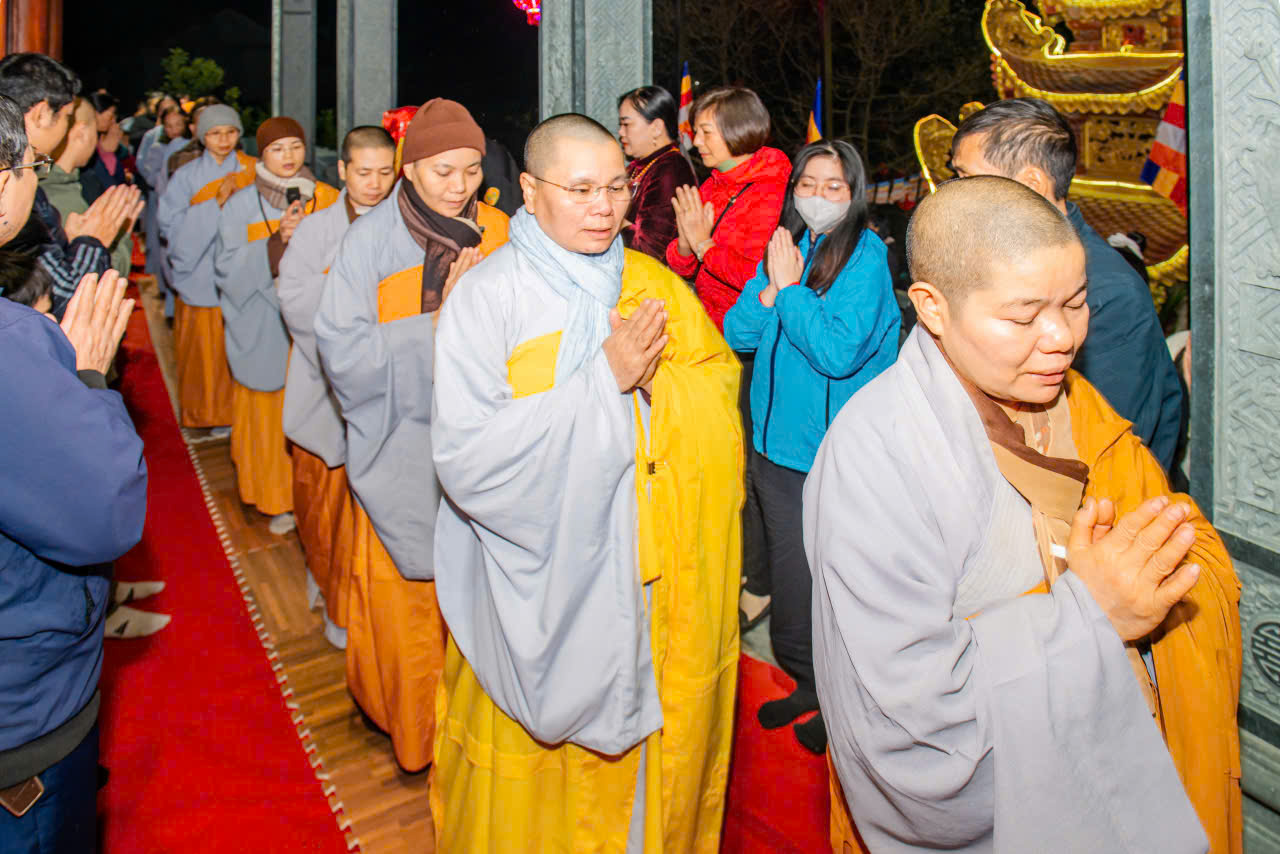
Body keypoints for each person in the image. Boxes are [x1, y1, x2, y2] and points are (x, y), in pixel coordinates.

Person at [808, 176, 1240, 854]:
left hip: (1115, 761)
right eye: (1022, 316)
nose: (1061, 338)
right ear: (933, 308)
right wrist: (1093, 617)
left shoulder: (1075, 403)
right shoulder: (877, 455)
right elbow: (910, 723)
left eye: (1075, 304)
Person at [429, 113, 743, 852]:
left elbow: (718, 389)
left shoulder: (651, 282)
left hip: (647, 580)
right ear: (530, 193)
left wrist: (663, 391)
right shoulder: (488, 298)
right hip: (539, 586)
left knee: (639, 792)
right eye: (578, 189)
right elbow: (468, 459)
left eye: (615, 188)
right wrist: (605, 382)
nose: (603, 207)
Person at [315, 99, 508, 772]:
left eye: (472, 170)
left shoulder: (502, 234)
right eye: (442, 171)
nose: (459, 187)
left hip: (485, 453)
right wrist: (439, 328)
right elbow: (340, 352)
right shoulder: (368, 243)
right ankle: (415, 732)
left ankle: (475, 734)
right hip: (401, 452)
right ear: (410, 167)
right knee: (406, 614)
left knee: (482, 603)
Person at [0, 90, 147, 854]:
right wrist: (84, 381)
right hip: (20, 710)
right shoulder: (13, 345)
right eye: (28, 165)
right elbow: (102, 515)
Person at [722, 139, 900, 754]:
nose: (818, 196)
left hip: (834, 455)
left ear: (854, 194)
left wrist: (791, 292)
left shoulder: (867, 259)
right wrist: (771, 290)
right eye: (809, 183)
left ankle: (850, 704)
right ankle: (808, 682)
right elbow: (738, 333)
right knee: (795, 588)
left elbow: (835, 351)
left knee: (841, 587)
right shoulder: (788, 245)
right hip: (775, 453)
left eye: (834, 186)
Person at [950, 98, 1184, 472]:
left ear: (1031, 183)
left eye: (967, 179)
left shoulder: (1104, 291)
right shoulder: (1008, 258)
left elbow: (1104, 453)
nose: (953, 195)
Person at [666, 86, 789, 634]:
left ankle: (757, 580)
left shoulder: (771, 189)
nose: (696, 139)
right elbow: (681, 255)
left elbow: (756, 276)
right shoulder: (714, 185)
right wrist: (692, 246)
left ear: (739, 130)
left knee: (748, 466)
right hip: (706, 338)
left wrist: (705, 246)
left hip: (748, 347)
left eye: (706, 130)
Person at [278, 125, 397, 648]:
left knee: (373, 522)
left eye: (385, 173)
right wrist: (354, 291)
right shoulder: (313, 229)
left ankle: (361, 606)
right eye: (363, 172)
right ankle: (333, 602)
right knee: (324, 514)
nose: (374, 184)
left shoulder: (406, 225)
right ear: (342, 171)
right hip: (323, 393)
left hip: (391, 395)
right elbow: (295, 301)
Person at [214, 116, 339, 534]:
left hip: (315, 321)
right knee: (269, 417)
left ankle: (317, 500)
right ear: (261, 155)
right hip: (263, 324)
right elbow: (225, 268)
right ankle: (274, 498)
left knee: (317, 410)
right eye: (277, 149)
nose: (288, 157)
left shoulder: (327, 197)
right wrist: (275, 242)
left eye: (296, 147)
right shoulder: (238, 204)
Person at [0, 53, 131, 318]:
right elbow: (64, 303)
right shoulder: (19, 178)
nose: (68, 127)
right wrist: (91, 241)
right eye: (67, 116)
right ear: (41, 113)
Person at [157, 103, 255, 431]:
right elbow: (169, 225)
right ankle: (208, 414)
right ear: (202, 137)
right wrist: (216, 205)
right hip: (200, 275)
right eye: (214, 133)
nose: (223, 140)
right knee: (205, 353)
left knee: (239, 349)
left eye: (230, 132)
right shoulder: (186, 176)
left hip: (242, 273)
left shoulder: (251, 170)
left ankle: (239, 413)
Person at [41, 98, 134, 277]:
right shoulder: (62, 198)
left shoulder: (50, 181)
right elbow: (97, 275)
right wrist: (122, 236)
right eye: (94, 130)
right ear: (82, 132)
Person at [617, 85, 695, 260]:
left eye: (626, 124)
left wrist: (610, 220)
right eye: (620, 124)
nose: (620, 132)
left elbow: (650, 249)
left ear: (657, 127)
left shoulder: (670, 170)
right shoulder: (640, 165)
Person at [82, 91, 130, 203]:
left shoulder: (100, 140)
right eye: (111, 115)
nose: (113, 121)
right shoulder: (87, 145)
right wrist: (107, 153)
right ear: (96, 113)